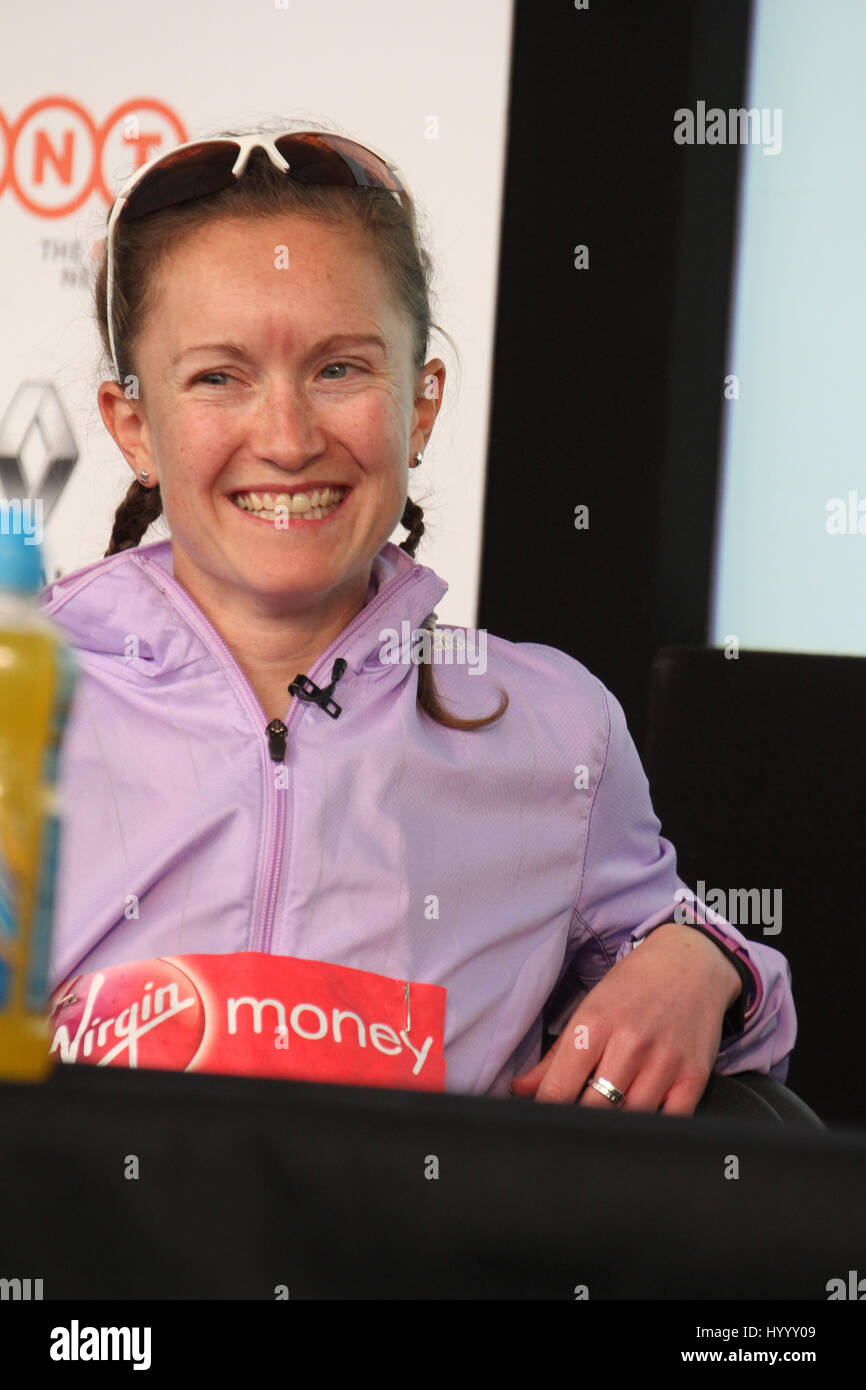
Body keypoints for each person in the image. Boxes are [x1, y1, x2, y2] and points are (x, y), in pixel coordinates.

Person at [40, 122, 795, 1109]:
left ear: (421, 403)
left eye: (340, 369)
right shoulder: (25, 700)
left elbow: (715, 989)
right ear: (132, 425)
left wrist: (706, 962)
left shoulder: (553, 726)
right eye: (218, 377)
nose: (286, 437)